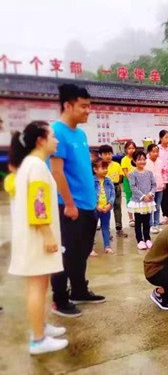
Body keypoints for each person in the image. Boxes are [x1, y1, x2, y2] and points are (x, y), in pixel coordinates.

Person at [8, 121, 69, 354]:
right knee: (37, 286)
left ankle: (40, 326)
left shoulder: (31, 164)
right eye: (52, 136)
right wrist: (48, 235)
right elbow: (38, 205)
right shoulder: (36, 166)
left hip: (34, 236)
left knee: (40, 285)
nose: (56, 140)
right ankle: (38, 339)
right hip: (37, 237)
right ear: (41, 140)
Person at [50, 84, 105, 318]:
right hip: (69, 206)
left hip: (87, 205)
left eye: (89, 105)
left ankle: (79, 290)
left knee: (81, 252)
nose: (88, 110)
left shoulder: (80, 134)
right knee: (66, 254)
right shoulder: (56, 132)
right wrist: (70, 204)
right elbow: (57, 172)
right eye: (83, 106)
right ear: (67, 105)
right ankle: (60, 299)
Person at [128, 151, 157, 250]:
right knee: (138, 221)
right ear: (134, 161)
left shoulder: (149, 173)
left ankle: (147, 238)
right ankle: (140, 240)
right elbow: (133, 187)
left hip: (148, 201)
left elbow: (154, 185)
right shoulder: (132, 174)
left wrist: (151, 194)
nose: (142, 161)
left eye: (144, 159)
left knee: (147, 221)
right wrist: (143, 196)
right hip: (138, 202)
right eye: (139, 159)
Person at [98, 144, 127, 238]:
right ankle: (106, 230)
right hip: (104, 188)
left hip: (116, 186)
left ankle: (119, 228)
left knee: (117, 207)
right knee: (105, 209)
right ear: (100, 155)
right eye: (105, 154)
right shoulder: (100, 166)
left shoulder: (116, 165)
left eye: (110, 154)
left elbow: (120, 176)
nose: (108, 156)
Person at [93, 158, 116, 254]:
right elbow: (89, 194)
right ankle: (90, 248)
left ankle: (107, 246)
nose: (105, 170)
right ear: (95, 169)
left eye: (106, 168)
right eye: (103, 168)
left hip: (106, 209)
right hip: (95, 209)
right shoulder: (91, 181)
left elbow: (113, 193)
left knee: (106, 227)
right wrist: (96, 205)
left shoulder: (108, 181)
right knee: (92, 228)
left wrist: (109, 204)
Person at [145, 144, 165, 235]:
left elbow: (163, 172)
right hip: (150, 188)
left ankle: (156, 224)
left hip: (159, 187)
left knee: (157, 206)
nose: (155, 153)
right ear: (149, 152)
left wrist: (164, 182)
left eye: (157, 151)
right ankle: (150, 225)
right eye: (153, 151)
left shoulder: (160, 161)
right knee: (150, 206)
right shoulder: (146, 162)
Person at [121, 141, 137, 227]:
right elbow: (125, 172)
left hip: (138, 181)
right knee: (129, 199)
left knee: (138, 198)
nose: (131, 150)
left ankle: (138, 216)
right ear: (126, 149)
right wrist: (131, 181)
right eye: (129, 148)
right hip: (128, 182)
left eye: (133, 148)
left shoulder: (137, 158)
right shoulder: (124, 159)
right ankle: (131, 218)